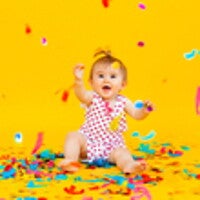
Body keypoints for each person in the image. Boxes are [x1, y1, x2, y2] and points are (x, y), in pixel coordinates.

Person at [59, 50, 154, 174]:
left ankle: (129, 165)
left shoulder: (123, 101)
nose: (106, 80)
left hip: (112, 146)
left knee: (122, 153)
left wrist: (145, 110)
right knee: (72, 136)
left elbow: (136, 114)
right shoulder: (93, 97)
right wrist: (78, 81)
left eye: (113, 76)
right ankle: (70, 161)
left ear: (123, 85)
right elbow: (81, 95)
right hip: (89, 141)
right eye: (100, 76)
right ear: (91, 83)